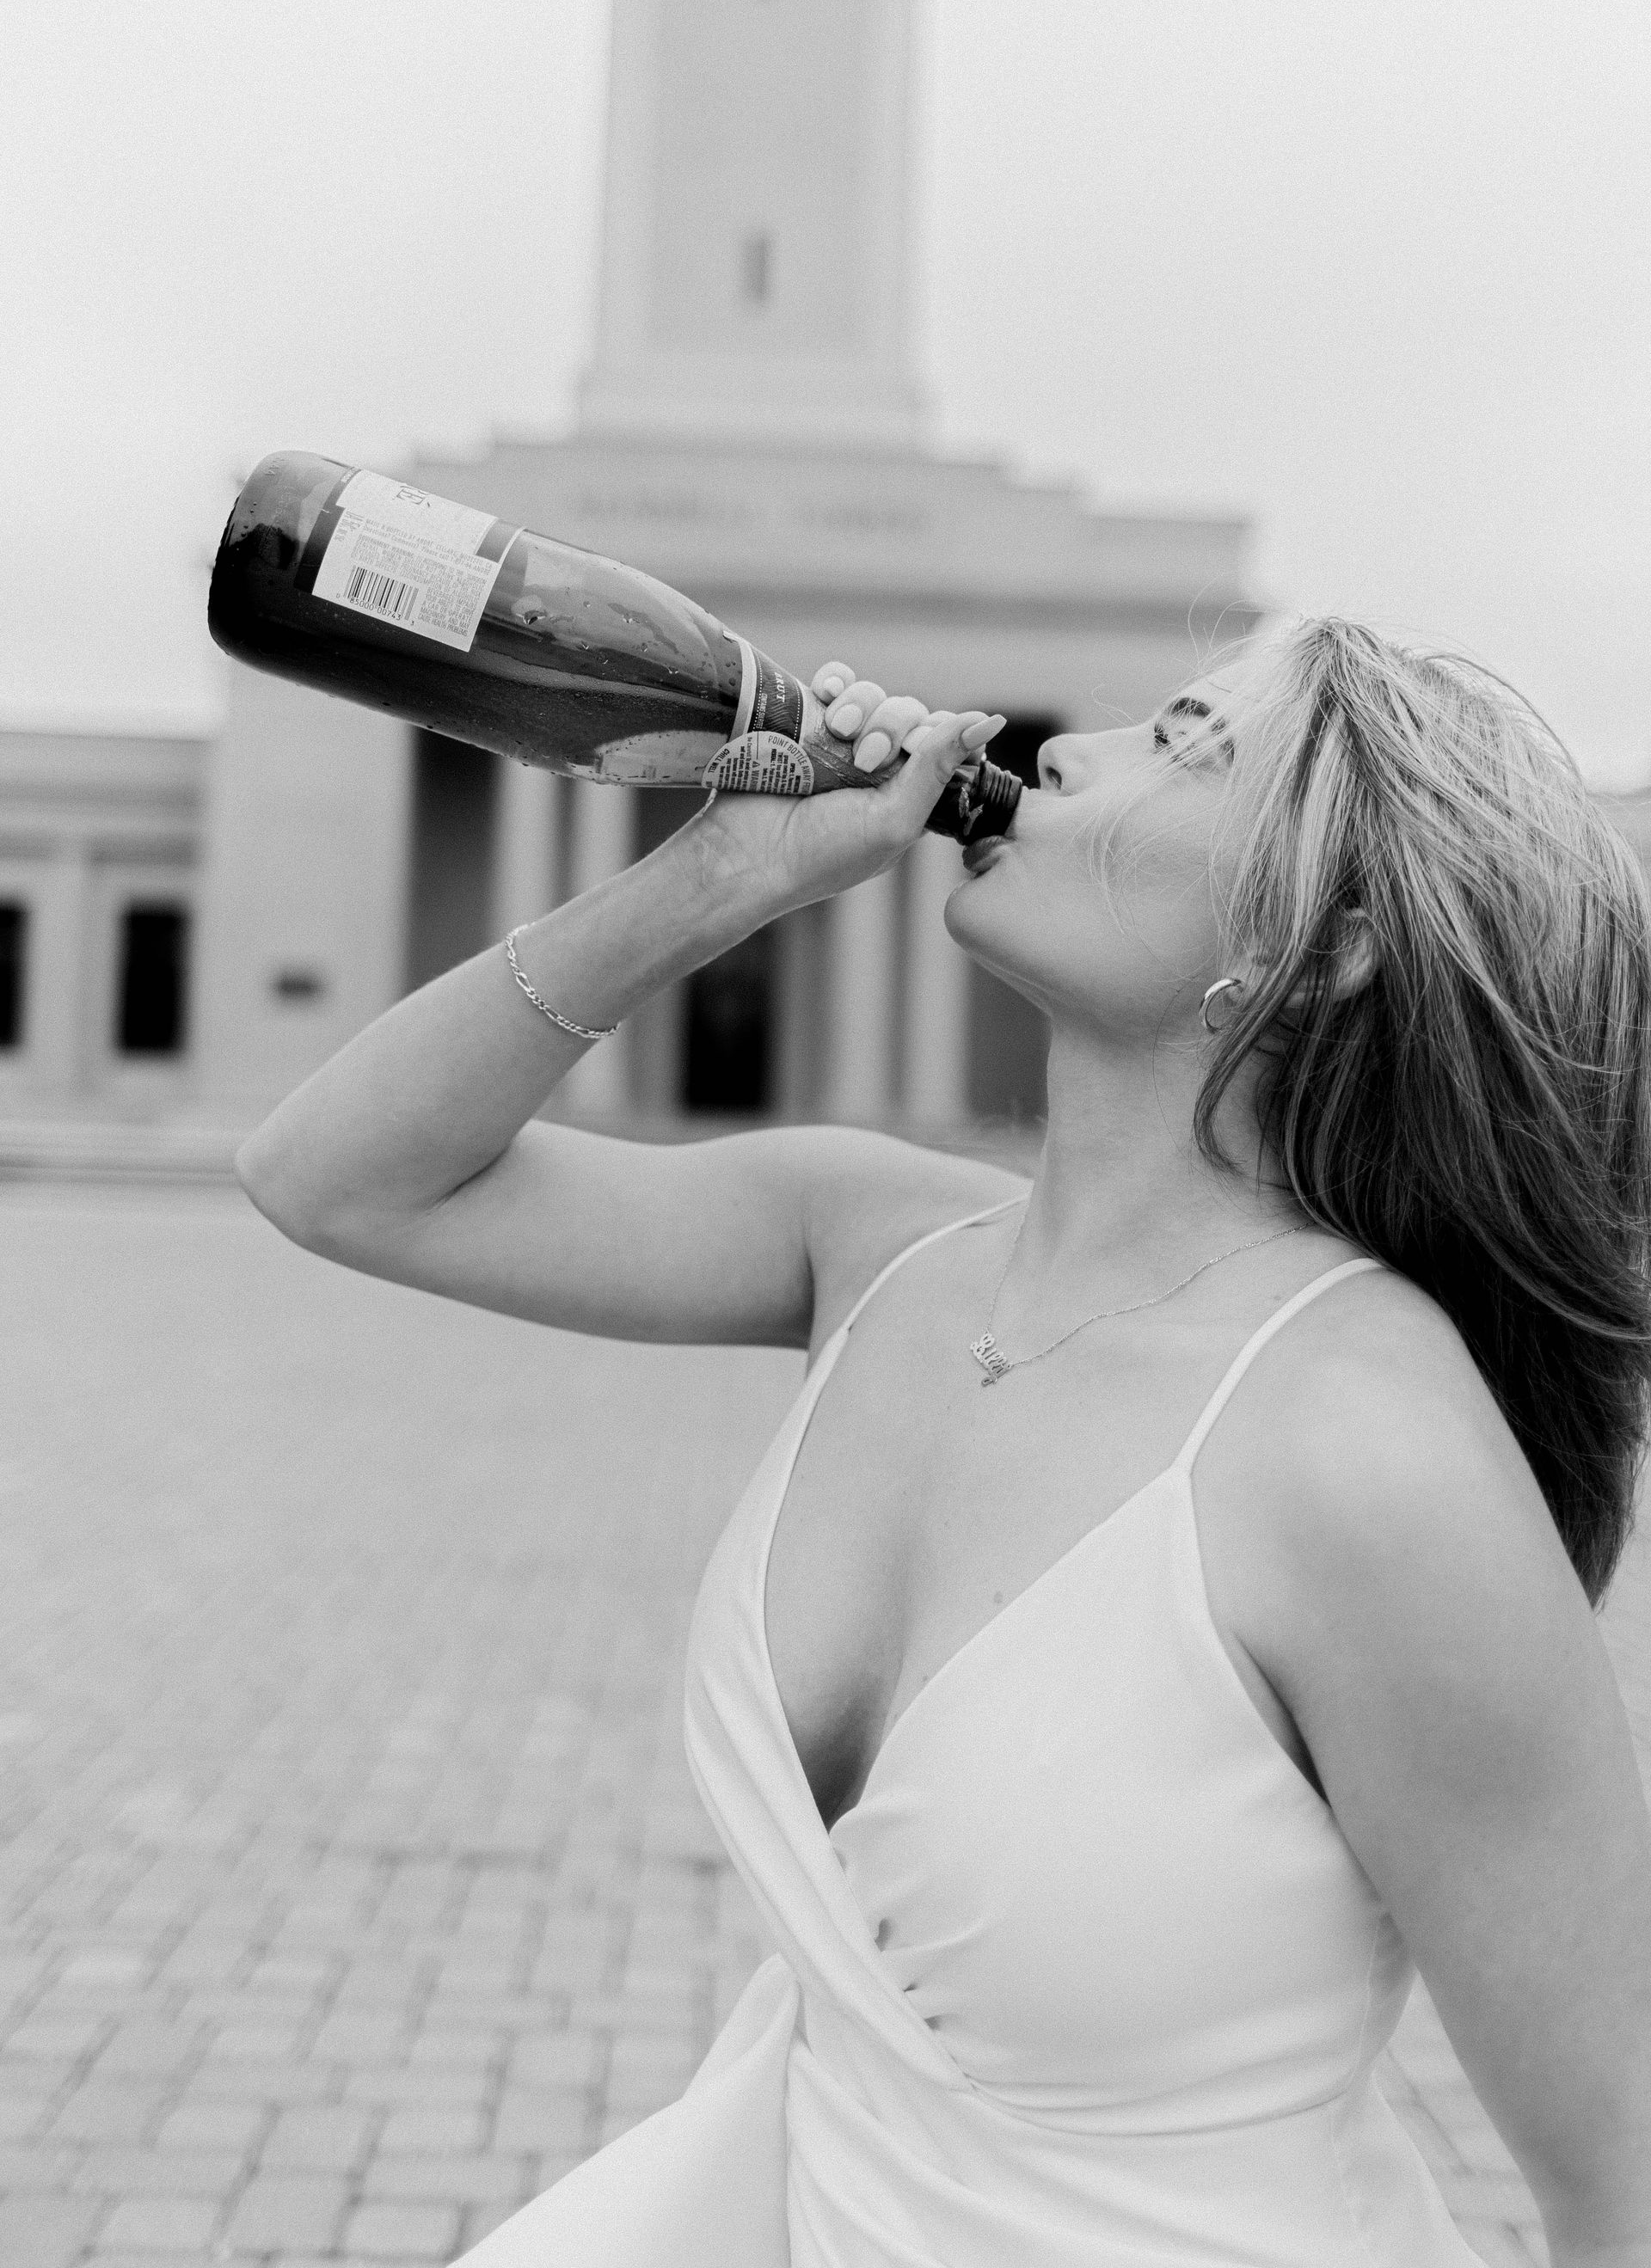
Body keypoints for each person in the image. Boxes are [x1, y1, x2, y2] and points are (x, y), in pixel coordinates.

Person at [236, 617, 1651, 2266]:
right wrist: (715, 881)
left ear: (1321, 946)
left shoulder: (1370, 1453)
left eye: (1184, 745)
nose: (1060, 750)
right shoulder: (874, 1246)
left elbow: (1623, 2172)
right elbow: (337, 1179)